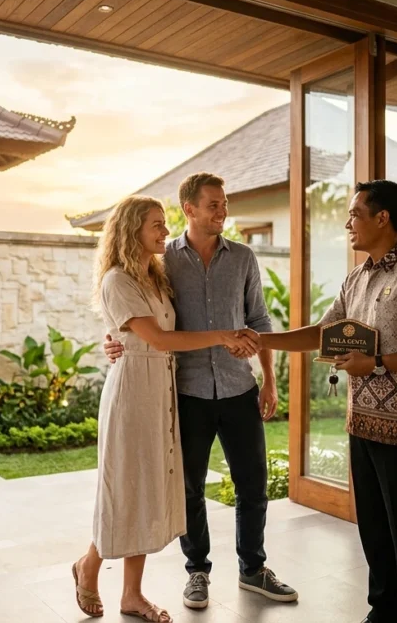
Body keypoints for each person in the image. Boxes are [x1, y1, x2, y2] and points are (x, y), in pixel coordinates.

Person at [259, 180, 397, 623]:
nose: (348, 223)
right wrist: (261, 339)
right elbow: (321, 334)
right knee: (374, 531)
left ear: (382, 218)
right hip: (362, 426)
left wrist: (380, 363)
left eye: (355, 214)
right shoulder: (356, 277)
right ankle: (383, 614)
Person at [104, 173, 299, 611]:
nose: (222, 211)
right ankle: (197, 571)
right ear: (189, 209)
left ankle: (253, 569)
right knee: (188, 487)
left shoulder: (244, 257)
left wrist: (268, 379)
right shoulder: (161, 261)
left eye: (224, 203)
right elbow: (138, 312)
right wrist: (113, 340)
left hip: (237, 386)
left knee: (253, 484)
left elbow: (259, 320)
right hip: (185, 392)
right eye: (213, 204)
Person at [72, 195, 260, 622]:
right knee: (123, 486)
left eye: (164, 223)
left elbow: (152, 335)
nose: (164, 231)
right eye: (156, 224)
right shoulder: (117, 280)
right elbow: (157, 339)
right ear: (132, 229)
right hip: (132, 392)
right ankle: (89, 565)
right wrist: (222, 336)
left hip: (162, 390)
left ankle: (131, 595)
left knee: (143, 489)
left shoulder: (155, 276)